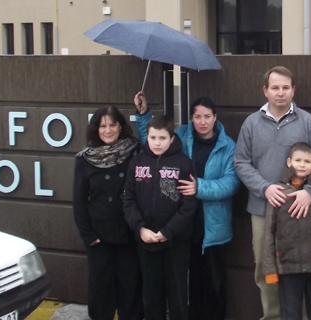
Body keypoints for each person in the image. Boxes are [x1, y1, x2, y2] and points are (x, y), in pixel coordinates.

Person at [234, 66, 311, 320]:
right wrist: (264, 187)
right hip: (262, 209)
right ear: (265, 91)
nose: (281, 93)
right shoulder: (251, 123)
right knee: (264, 268)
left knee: (301, 270)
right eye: (275, 88)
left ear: (293, 90)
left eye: (285, 88)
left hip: (301, 211)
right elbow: (241, 162)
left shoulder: (307, 122)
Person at [133, 92, 240, 320]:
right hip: (182, 223)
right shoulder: (181, 135)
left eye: (207, 116)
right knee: (184, 285)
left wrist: (199, 187)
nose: (202, 121)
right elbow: (154, 142)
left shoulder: (227, 145)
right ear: (191, 117)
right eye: (197, 116)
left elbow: (232, 183)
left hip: (212, 224)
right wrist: (143, 115)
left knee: (213, 283)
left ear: (215, 117)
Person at [123, 114, 197, 320]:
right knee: (151, 297)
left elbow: (188, 206)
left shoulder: (184, 164)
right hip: (146, 242)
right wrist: (140, 228)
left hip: (176, 243)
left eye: (162, 138)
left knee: (178, 296)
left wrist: (168, 232)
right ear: (147, 136)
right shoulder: (137, 163)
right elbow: (128, 200)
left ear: (172, 139)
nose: (157, 143)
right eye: (153, 137)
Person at [72, 106, 144, 320]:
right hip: (99, 237)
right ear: (96, 129)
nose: (108, 130)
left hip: (128, 234)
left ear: (120, 126)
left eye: (112, 124)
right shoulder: (85, 158)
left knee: (130, 288)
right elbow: (79, 201)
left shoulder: (134, 150)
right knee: (100, 291)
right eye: (103, 126)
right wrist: (88, 236)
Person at [262, 142, 311, 320]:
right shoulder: (279, 192)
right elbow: (269, 234)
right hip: (288, 268)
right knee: (290, 313)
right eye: (298, 160)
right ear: (289, 162)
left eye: (307, 161)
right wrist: (270, 270)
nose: (302, 164)